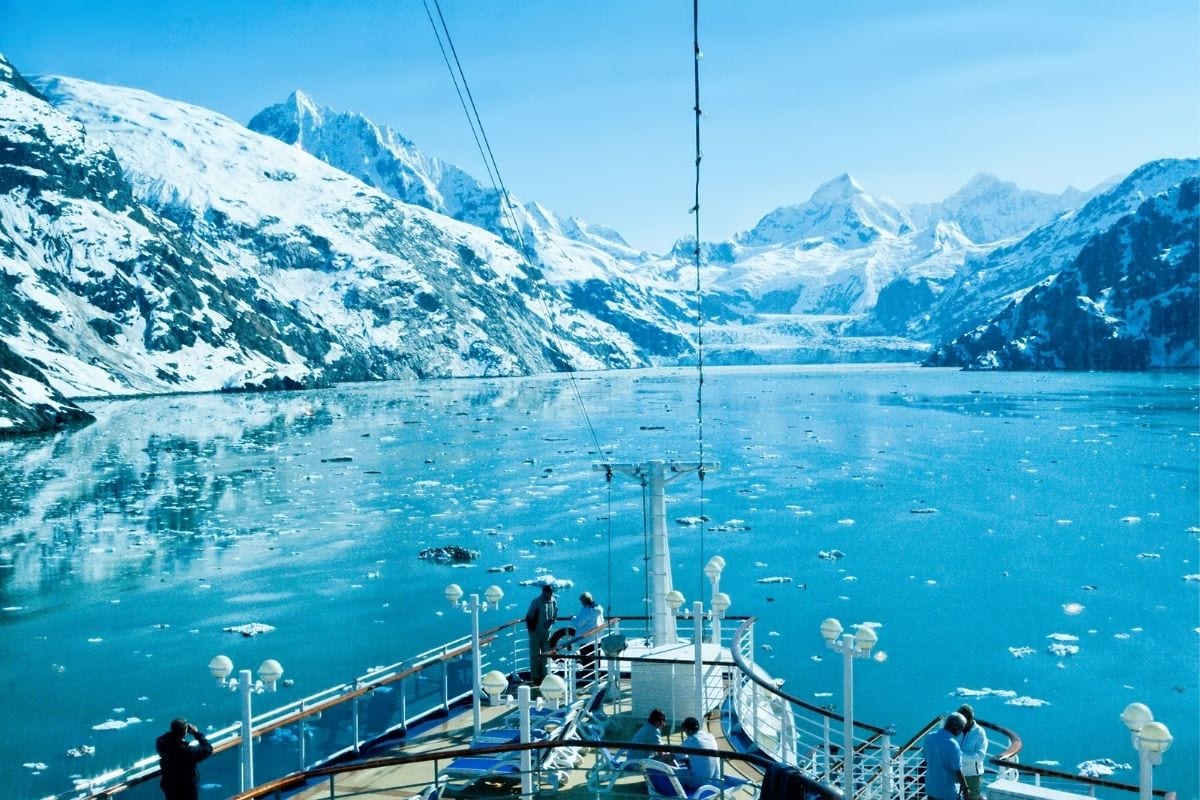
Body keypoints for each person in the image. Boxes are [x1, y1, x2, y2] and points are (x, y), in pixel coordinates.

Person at [155, 718, 213, 800]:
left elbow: (165, 738)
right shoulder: (186, 751)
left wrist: (175, 732)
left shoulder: (161, 743)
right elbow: (208, 749)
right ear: (185, 732)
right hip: (186, 788)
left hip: (170, 785)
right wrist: (196, 733)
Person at [922, 712, 967, 800]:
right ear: (956, 727)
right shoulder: (952, 744)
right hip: (946, 792)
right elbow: (957, 770)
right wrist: (966, 788)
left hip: (931, 788)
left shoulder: (929, 737)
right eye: (961, 729)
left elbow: (926, 758)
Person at [524, 583, 557, 685]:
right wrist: (532, 631)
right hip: (535, 633)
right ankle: (535, 677)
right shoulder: (536, 602)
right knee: (534, 655)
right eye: (549, 592)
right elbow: (529, 617)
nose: (551, 594)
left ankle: (545, 675)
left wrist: (552, 620)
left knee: (546, 655)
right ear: (544, 592)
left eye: (552, 592)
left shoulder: (553, 601)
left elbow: (555, 614)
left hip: (547, 634)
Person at [571, 591, 605, 683]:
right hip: (597, 638)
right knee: (596, 660)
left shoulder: (587, 610)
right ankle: (596, 678)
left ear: (584, 601)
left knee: (587, 661)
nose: (581, 603)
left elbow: (579, 623)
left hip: (586, 639)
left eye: (581, 601)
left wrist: (572, 618)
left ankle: (588, 680)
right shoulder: (599, 608)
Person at [957, 704, 988, 800]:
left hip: (972, 775)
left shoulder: (979, 732)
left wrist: (959, 756)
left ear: (970, 719)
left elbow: (980, 756)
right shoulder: (957, 729)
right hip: (956, 772)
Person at [680, 715, 718, 789]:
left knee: (671, 773)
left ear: (688, 730)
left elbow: (677, 756)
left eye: (685, 730)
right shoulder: (710, 736)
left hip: (700, 783)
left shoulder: (691, 740)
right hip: (716, 780)